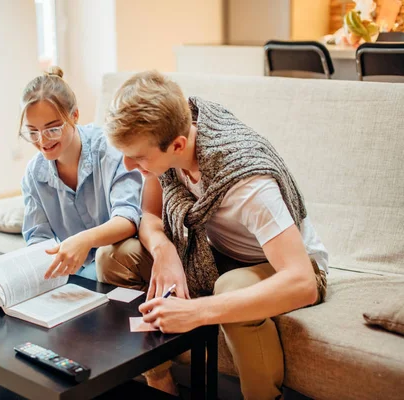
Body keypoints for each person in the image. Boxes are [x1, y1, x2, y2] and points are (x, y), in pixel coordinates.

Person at [97, 71, 328, 400]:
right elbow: (149, 214)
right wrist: (164, 251)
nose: (129, 165)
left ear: (177, 144)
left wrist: (198, 312)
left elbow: (301, 282)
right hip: (216, 254)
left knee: (229, 288)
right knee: (113, 257)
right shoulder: (168, 142)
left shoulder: (248, 182)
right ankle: (159, 381)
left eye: (138, 157)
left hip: (285, 265)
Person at [19, 66, 143, 281]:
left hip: (118, 259)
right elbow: (38, 236)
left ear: (75, 115)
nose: (42, 140)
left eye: (52, 129)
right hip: (76, 273)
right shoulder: (34, 174)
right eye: (32, 131)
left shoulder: (109, 150)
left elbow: (128, 216)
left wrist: (85, 240)